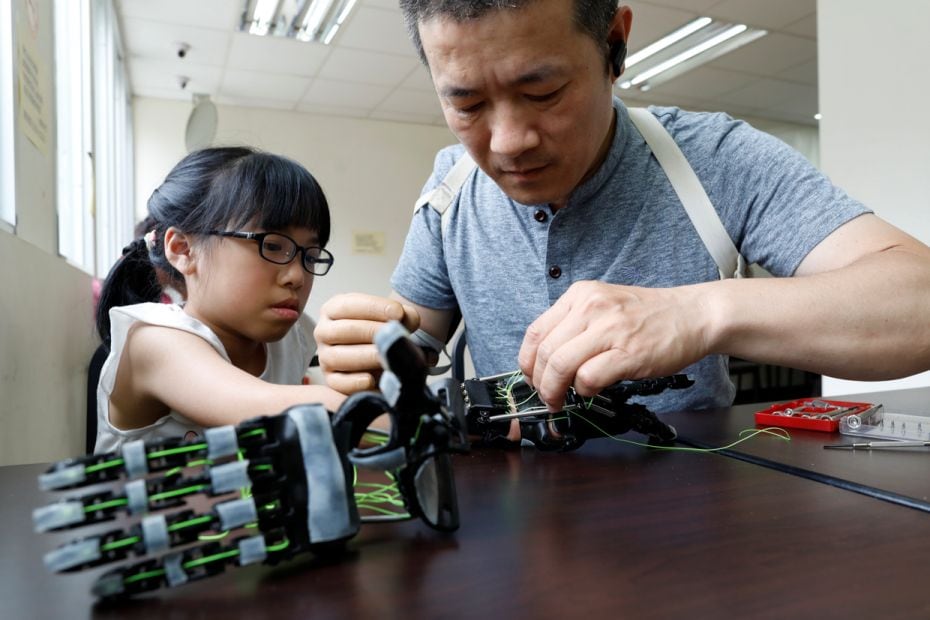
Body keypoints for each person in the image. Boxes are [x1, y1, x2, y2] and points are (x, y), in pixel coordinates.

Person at [314, 0, 930, 417]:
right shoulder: (449, 190)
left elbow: (918, 302)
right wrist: (367, 359)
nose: (508, 143)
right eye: (467, 104)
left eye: (542, 92)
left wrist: (699, 312)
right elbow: (409, 352)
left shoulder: (714, 158)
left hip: (692, 524)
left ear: (614, 45)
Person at [94, 146, 344, 452]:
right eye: (273, 246)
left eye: (311, 255)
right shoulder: (155, 341)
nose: (297, 276)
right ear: (184, 249)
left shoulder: (295, 335)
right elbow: (273, 407)